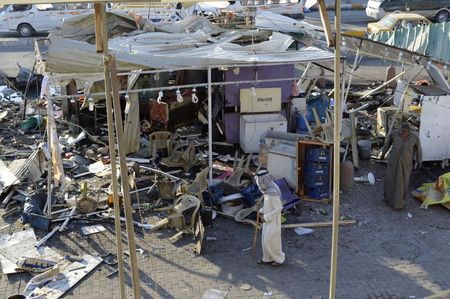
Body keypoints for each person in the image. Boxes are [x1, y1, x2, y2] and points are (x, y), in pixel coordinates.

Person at [380, 122, 422, 210]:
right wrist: (383, 154)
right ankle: (388, 198)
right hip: (393, 162)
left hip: (405, 164)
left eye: (404, 131)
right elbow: (387, 144)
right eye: (400, 130)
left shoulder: (414, 138)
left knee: (402, 183)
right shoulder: (394, 134)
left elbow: (419, 151)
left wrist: (419, 162)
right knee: (389, 179)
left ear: (408, 131)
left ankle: (398, 204)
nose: (401, 132)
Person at [255, 169, 285, 267]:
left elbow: (278, 208)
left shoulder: (273, 191)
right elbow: (268, 205)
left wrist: (266, 217)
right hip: (267, 220)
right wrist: (262, 211)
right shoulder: (267, 189)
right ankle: (267, 259)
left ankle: (279, 259)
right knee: (265, 240)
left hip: (273, 220)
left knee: (270, 240)